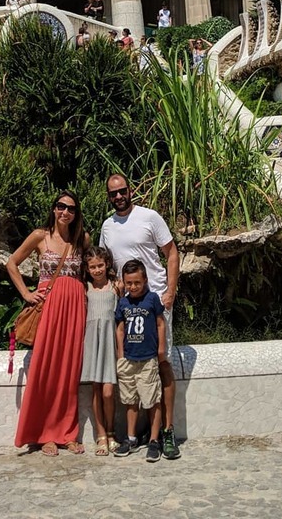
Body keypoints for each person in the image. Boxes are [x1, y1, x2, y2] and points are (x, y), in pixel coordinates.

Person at [99, 173, 181, 460]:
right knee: (135, 370)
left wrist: (170, 291)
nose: (119, 196)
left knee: (162, 363)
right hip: (128, 307)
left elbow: (171, 253)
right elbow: (107, 262)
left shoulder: (150, 217)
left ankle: (168, 431)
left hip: (156, 300)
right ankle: (142, 433)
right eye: (113, 193)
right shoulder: (107, 226)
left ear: (130, 190)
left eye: (122, 191)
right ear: (108, 197)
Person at [6, 190, 91, 456]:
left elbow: (93, 269)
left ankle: (67, 433)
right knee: (46, 370)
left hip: (76, 306)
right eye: (61, 206)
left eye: (71, 209)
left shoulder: (82, 239)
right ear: (54, 209)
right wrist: (27, 293)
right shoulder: (40, 236)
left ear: (76, 214)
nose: (65, 212)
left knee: (69, 370)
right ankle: (43, 434)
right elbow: (11, 263)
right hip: (50, 307)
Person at [113, 260, 165, 462]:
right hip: (128, 358)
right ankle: (131, 437)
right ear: (124, 283)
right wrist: (120, 354)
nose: (133, 287)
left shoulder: (152, 299)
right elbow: (120, 329)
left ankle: (153, 440)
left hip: (147, 358)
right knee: (130, 400)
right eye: (129, 283)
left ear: (144, 280)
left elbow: (161, 324)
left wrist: (161, 349)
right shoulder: (123, 303)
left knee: (152, 399)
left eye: (137, 282)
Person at [80, 246, 119, 456]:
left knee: (108, 391)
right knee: (96, 389)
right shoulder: (85, 288)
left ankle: (112, 431)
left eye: (100, 265)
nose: (97, 270)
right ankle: (101, 434)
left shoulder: (116, 287)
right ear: (87, 269)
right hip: (92, 342)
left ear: (107, 265)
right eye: (92, 266)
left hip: (109, 341)